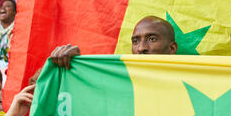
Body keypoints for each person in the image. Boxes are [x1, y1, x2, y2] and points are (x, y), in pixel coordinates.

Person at [50, 16, 178, 69]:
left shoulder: (192, 80)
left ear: (172, 48)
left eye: (152, 39)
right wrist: (74, 65)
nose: (141, 48)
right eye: (135, 41)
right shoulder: (118, 80)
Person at [0, 0, 16, 69]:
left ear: (14, 12)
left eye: (7, 6)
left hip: (10, 68)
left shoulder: (18, 30)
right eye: (0, 6)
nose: (2, 8)